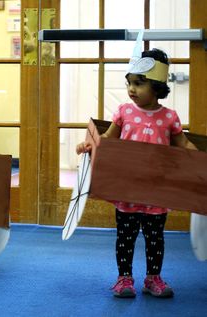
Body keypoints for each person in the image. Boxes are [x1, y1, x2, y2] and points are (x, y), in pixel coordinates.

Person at [76, 47, 197, 298]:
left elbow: (183, 144)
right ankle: (124, 278)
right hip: (127, 191)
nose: (132, 89)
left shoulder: (169, 117)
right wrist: (88, 145)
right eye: (129, 83)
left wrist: (199, 159)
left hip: (156, 192)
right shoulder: (124, 112)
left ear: (157, 86)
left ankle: (153, 278)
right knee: (125, 237)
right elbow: (106, 140)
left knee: (155, 238)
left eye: (139, 83)